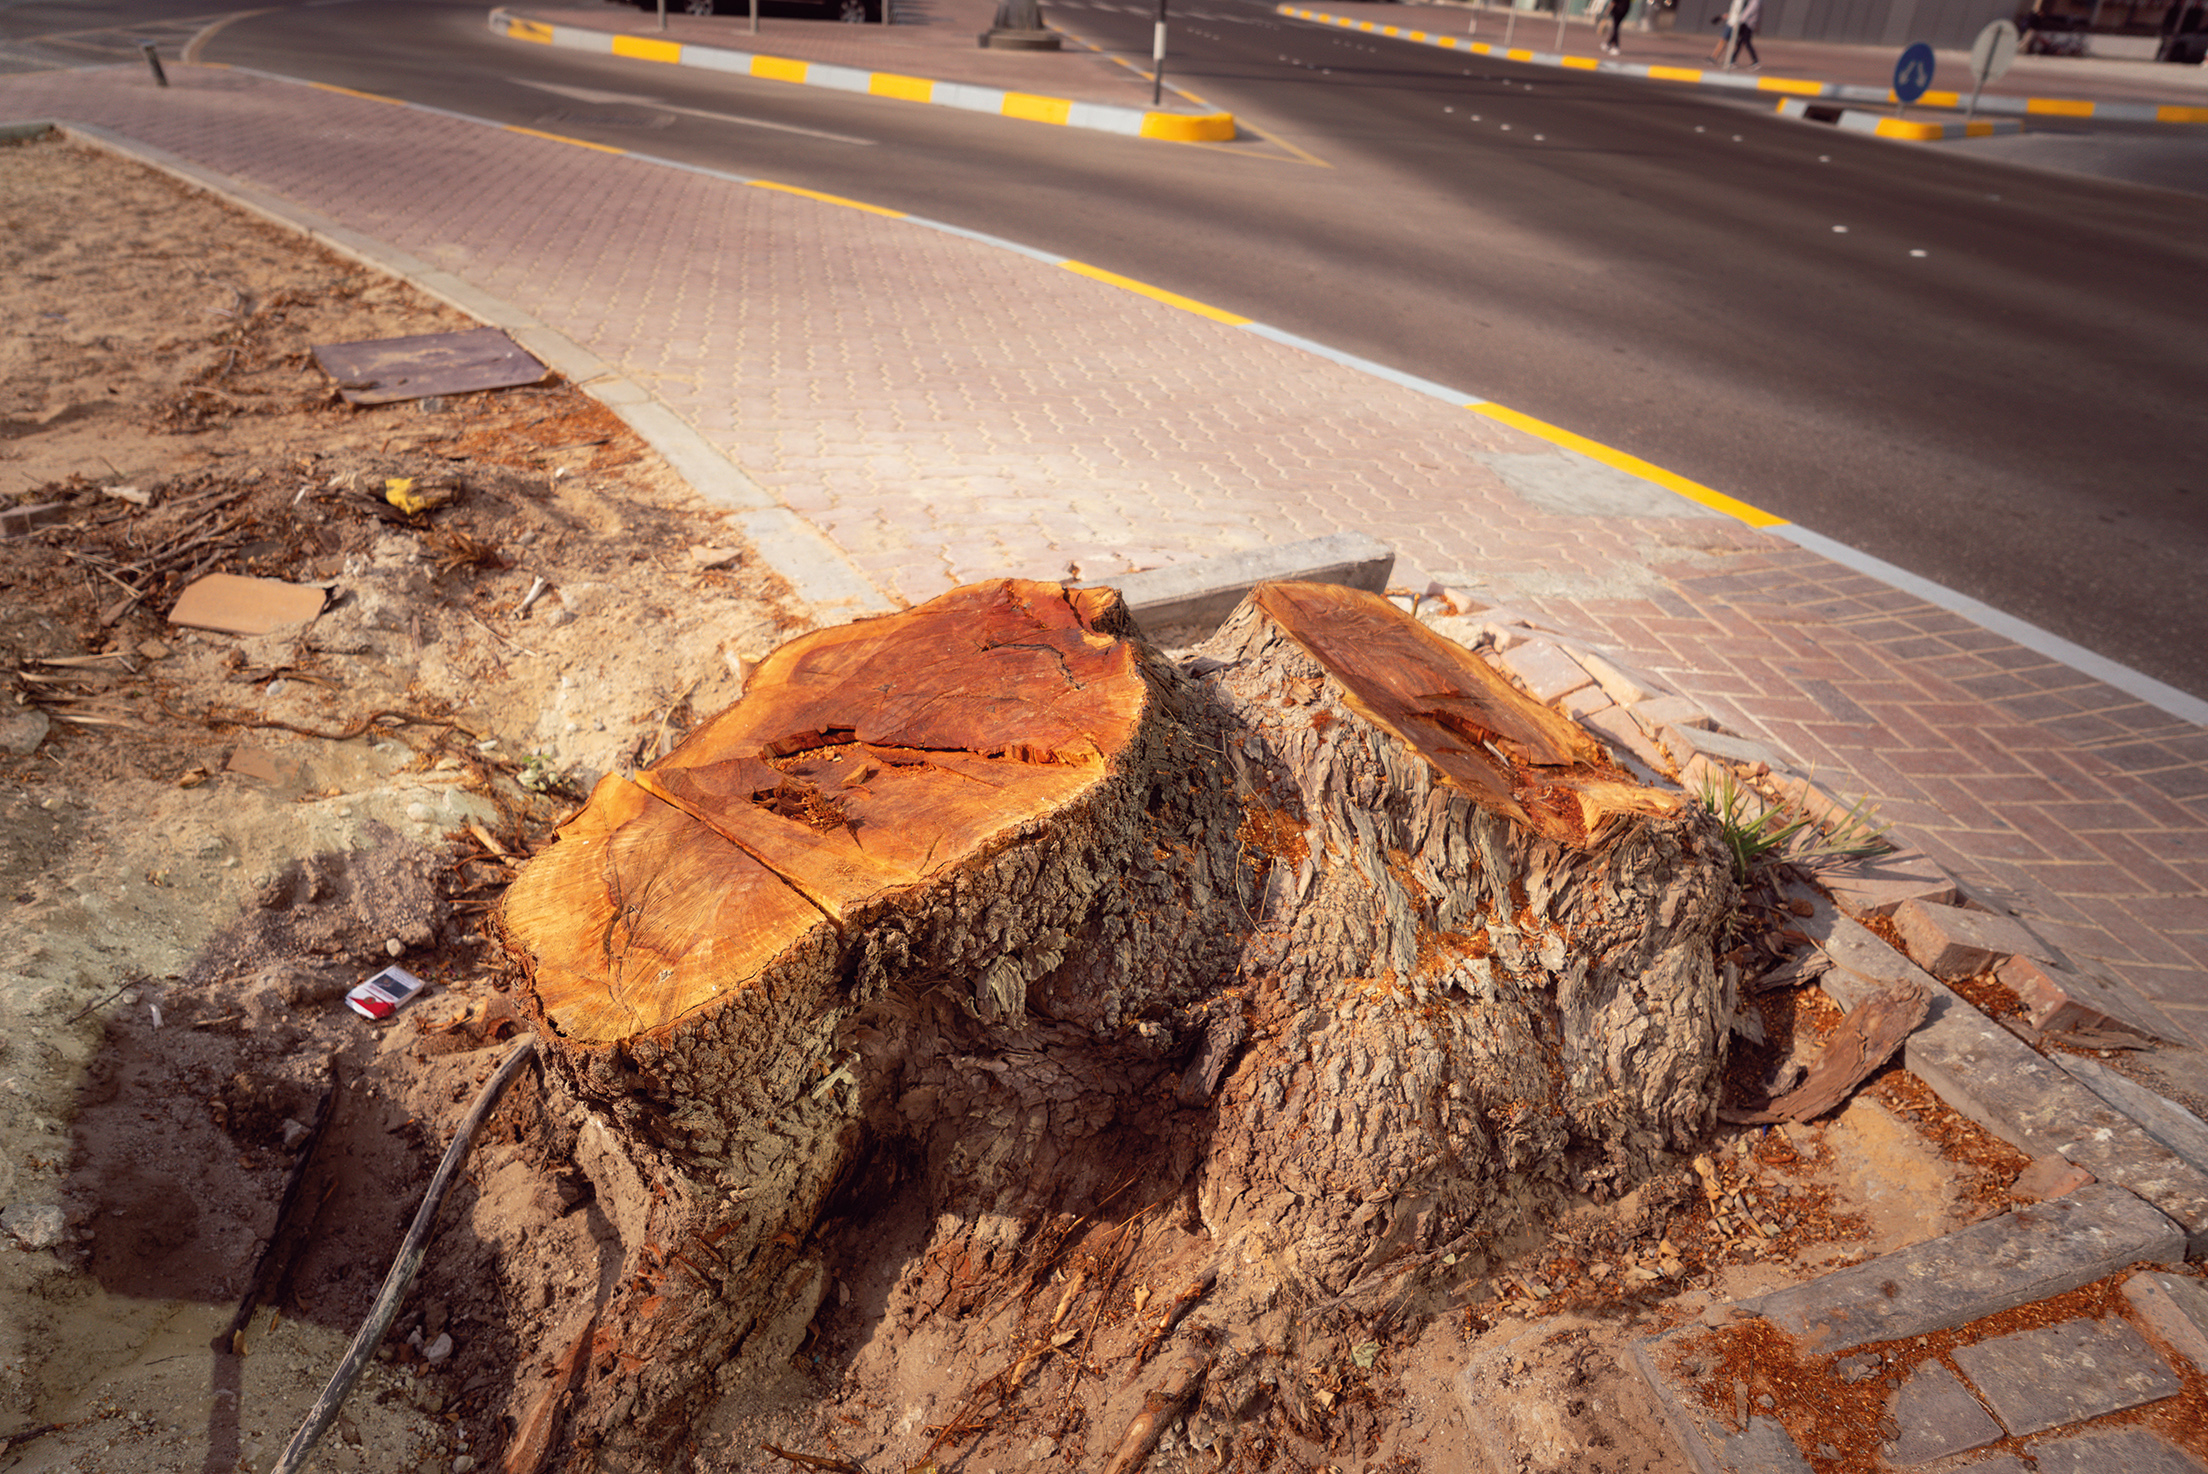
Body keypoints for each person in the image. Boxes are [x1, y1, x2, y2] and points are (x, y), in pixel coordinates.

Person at [1722, 0, 1761, 68]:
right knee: (1741, 42)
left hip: (1748, 24)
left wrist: (1740, 21)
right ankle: (1732, 60)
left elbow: (1749, 11)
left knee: (1745, 42)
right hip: (1748, 24)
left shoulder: (1755, 2)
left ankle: (1755, 61)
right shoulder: (1756, 2)